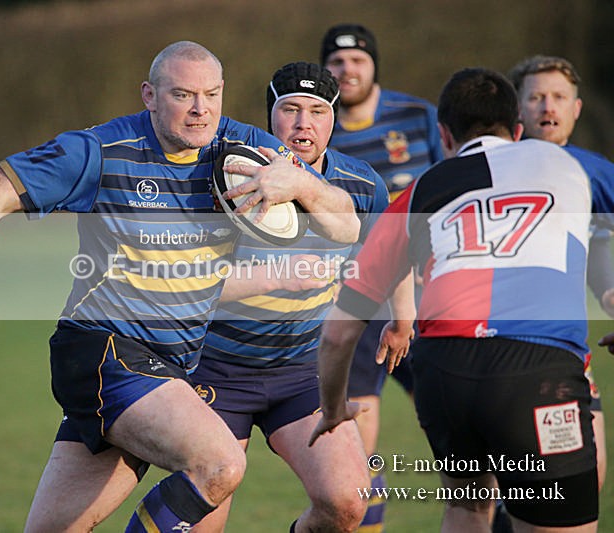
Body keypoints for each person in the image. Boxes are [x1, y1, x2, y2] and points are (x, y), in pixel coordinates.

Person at [0, 41, 359, 533]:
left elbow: (346, 227)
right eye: (183, 95)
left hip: (170, 365)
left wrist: (300, 186)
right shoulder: (101, 150)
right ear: (149, 95)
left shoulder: (244, 150)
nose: (200, 109)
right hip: (105, 350)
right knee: (220, 464)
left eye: (211, 95)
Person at [311, 67, 614, 532]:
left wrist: (333, 411)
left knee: (468, 509)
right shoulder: (571, 165)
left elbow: (337, 333)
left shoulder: (418, 193)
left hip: (444, 370)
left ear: (443, 134)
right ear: (517, 129)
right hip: (538, 365)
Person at [191, 61, 412, 533]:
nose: (303, 123)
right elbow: (186, 283)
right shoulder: (228, 176)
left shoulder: (359, 181)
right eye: (289, 109)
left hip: (302, 373)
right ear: (269, 116)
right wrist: (274, 276)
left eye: (317, 111)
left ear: (335, 118)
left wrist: (403, 317)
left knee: (348, 503)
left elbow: (396, 243)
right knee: (204, 520)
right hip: (218, 368)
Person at [319, 22, 443, 530]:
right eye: (336, 62)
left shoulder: (419, 118)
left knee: (461, 429)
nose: (347, 70)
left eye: (357, 61)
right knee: (357, 444)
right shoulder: (315, 133)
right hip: (361, 306)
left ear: (373, 66)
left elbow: (453, 189)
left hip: (430, 302)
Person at [502, 53, 613, 532]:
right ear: (517, 109)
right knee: (486, 491)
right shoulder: (492, 168)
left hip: (565, 356)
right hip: (490, 352)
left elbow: (603, 258)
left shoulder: (597, 174)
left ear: (577, 108)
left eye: (559, 97)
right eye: (536, 96)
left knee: (589, 476)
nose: (548, 106)